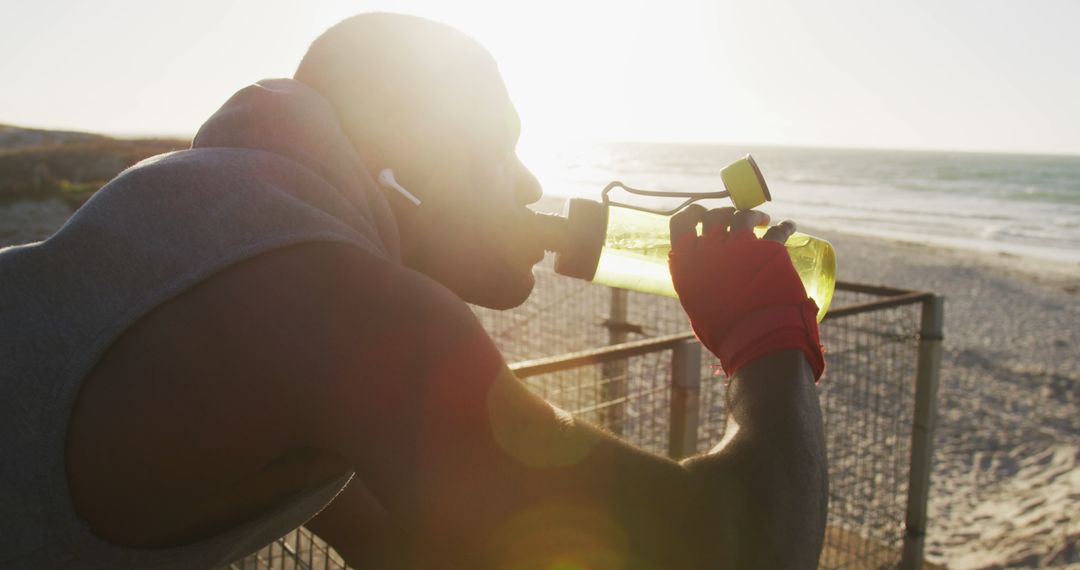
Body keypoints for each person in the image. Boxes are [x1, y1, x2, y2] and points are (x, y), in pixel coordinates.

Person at [0, 12, 826, 569]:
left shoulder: (220, 222)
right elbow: (741, 548)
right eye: (498, 148)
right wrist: (767, 330)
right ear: (407, 161)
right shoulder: (329, 301)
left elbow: (410, 546)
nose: (529, 179)